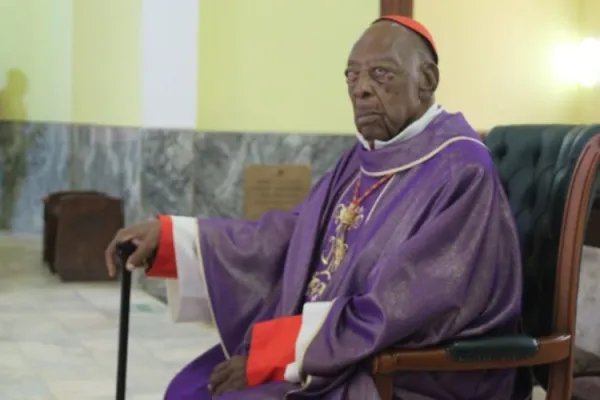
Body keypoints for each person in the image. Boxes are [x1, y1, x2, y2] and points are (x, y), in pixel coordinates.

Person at [106, 15, 532, 400]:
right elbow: (295, 235)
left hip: (407, 371)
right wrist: (177, 239)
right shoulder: (364, 157)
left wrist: (275, 355)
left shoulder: (459, 170)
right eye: (352, 75)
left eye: (380, 74)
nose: (361, 88)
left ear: (427, 78)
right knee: (190, 387)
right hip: (344, 348)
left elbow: (405, 307)